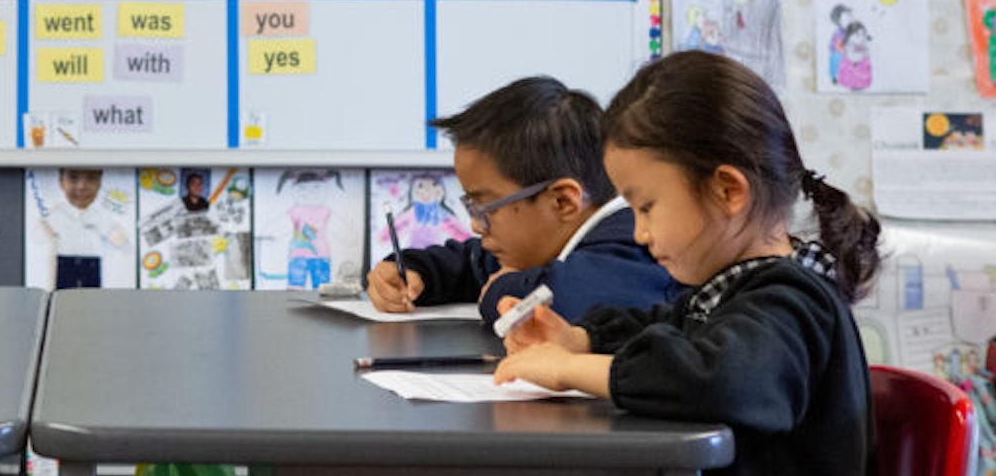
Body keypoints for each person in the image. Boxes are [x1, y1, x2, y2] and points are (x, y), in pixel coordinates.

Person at [494, 51, 880, 476]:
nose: (640, 232)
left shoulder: (792, 302)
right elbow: (669, 326)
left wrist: (570, 368)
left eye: (647, 207)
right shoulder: (736, 291)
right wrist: (580, 340)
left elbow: (724, 381)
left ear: (727, 191)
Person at [368, 77, 681, 326]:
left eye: (485, 208)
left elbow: (572, 302)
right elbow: (476, 262)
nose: (477, 226)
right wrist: (416, 271)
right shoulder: (547, 242)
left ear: (562, 202)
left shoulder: (632, 241)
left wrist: (501, 291)